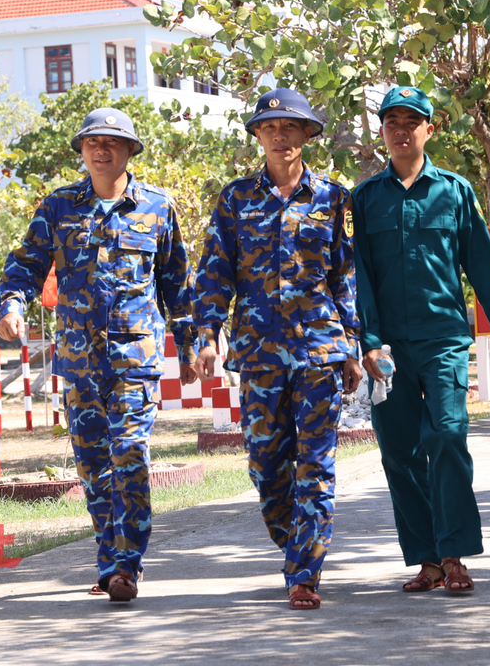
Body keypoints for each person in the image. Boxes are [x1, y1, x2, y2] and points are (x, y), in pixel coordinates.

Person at [0, 108, 197, 602]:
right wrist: (11, 305)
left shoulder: (157, 208)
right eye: (92, 142)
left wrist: (190, 346)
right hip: (79, 361)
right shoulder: (59, 206)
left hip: (135, 359)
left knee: (129, 454)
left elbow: (177, 284)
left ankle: (126, 566)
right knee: (93, 468)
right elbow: (25, 265)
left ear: (130, 150)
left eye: (111, 142)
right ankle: (110, 564)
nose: (101, 150)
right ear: (82, 151)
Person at [192, 87, 361, 611]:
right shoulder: (235, 199)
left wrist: (353, 345)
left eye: (290, 127)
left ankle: (304, 572)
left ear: (308, 134)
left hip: (319, 350)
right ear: (258, 136)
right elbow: (215, 272)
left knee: (316, 465)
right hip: (259, 352)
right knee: (266, 467)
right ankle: (295, 546)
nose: (280, 135)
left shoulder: (333, 199)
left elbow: (346, 277)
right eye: (270, 128)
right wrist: (207, 335)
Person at [351, 86, 490, 595]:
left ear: (430, 129)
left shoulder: (455, 191)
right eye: (392, 122)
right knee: (398, 451)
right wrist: (369, 340)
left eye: (412, 122)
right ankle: (427, 561)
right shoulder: (364, 198)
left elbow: (483, 265)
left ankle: (454, 554)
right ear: (382, 131)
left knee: (447, 435)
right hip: (387, 349)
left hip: (444, 339)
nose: (401, 131)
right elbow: (359, 276)